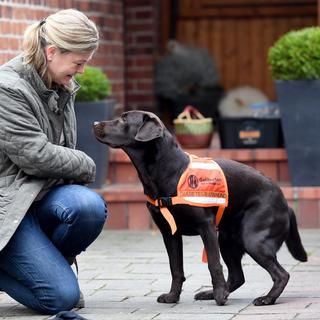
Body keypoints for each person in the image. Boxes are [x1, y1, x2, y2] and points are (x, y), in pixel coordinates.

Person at [0, 9, 107, 315]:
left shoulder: (57, 82)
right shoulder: (8, 88)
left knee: (87, 207)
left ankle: (37, 268)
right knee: (61, 299)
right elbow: (36, 156)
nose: (83, 71)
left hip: (38, 198)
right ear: (51, 52)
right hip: (8, 208)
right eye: (79, 62)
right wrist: (86, 163)